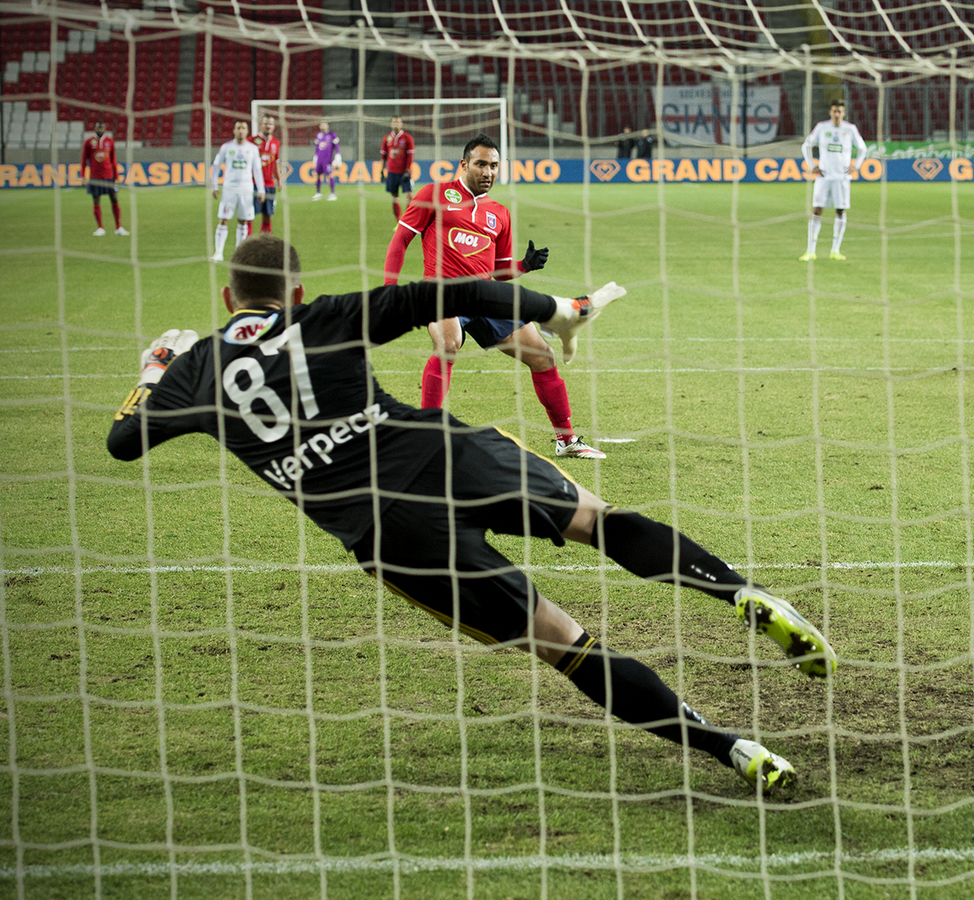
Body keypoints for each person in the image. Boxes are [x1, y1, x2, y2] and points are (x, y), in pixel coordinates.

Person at [106, 234, 835, 790]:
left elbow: (123, 443)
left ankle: (733, 750)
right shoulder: (325, 316)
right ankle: (741, 594)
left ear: (228, 298)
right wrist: (557, 311)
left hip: (386, 531)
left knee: (563, 642)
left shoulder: (195, 371)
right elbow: (458, 292)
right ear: (295, 292)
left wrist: (154, 370)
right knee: (597, 521)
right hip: (438, 452)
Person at [385, 133, 606, 460]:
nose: (488, 172)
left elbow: (499, 271)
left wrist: (524, 265)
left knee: (543, 356)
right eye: (481, 164)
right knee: (448, 345)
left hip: (486, 296)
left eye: (493, 166)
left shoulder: (499, 213)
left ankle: (567, 440)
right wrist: (389, 290)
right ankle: (427, 437)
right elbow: (400, 241)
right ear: (464, 164)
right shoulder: (433, 194)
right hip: (441, 292)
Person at [799, 99, 867, 262]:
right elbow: (806, 145)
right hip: (824, 176)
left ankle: (835, 250)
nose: (837, 114)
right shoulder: (822, 127)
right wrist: (812, 166)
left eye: (840, 111)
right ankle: (810, 251)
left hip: (842, 178)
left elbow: (862, 148)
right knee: (817, 210)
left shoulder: (850, 129)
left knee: (840, 211)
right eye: (834, 111)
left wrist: (856, 166)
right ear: (830, 112)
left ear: (844, 113)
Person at [210, 120, 265, 262]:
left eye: (243, 128)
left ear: (247, 131)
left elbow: (257, 170)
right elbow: (216, 166)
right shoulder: (226, 147)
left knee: (243, 221)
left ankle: (238, 254)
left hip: (246, 189)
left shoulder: (253, 149)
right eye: (238, 128)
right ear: (234, 131)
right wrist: (214, 186)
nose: (241, 130)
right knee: (223, 219)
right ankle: (218, 253)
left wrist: (261, 189)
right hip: (229, 188)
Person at [81, 120, 128, 236]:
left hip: (109, 176)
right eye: (98, 127)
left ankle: (118, 227)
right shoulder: (88, 142)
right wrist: (83, 176)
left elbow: (113, 159)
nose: (100, 129)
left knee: (115, 199)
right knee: (96, 200)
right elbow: (83, 160)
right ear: (95, 128)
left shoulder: (110, 141)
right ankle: (100, 228)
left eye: (102, 128)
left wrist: (116, 175)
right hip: (95, 177)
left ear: (105, 129)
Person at [248, 114, 286, 234]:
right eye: (265, 123)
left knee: (268, 215)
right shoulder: (251, 141)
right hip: (253, 183)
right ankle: (247, 240)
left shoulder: (276, 143)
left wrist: (279, 180)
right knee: (249, 215)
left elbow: (275, 163)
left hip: (269, 184)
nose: (268, 126)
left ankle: (265, 241)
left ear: (274, 126)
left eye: (270, 124)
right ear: (261, 125)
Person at [380, 115, 415, 220]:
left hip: (404, 172)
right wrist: (381, 171)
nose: (396, 124)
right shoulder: (387, 138)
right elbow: (383, 156)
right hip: (392, 172)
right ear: (391, 124)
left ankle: (407, 221)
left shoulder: (407, 138)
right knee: (394, 197)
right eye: (394, 122)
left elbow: (410, 156)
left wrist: (407, 170)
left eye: (398, 122)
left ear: (401, 124)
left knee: (409, 196)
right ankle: (398, 221)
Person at [312, 119, 341, 201]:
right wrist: (315, 156)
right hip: (319, 159)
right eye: (321, 125)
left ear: (327, 125)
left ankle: (333, 193)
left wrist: (338, 154)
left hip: (327, 159)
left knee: (330, 174)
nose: (323, 126)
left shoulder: (332, 135)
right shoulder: (318, 135)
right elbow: (317, 147)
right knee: (318, 175)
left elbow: (336, 145)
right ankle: (318, 193)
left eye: (324, 124)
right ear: (319, 126)